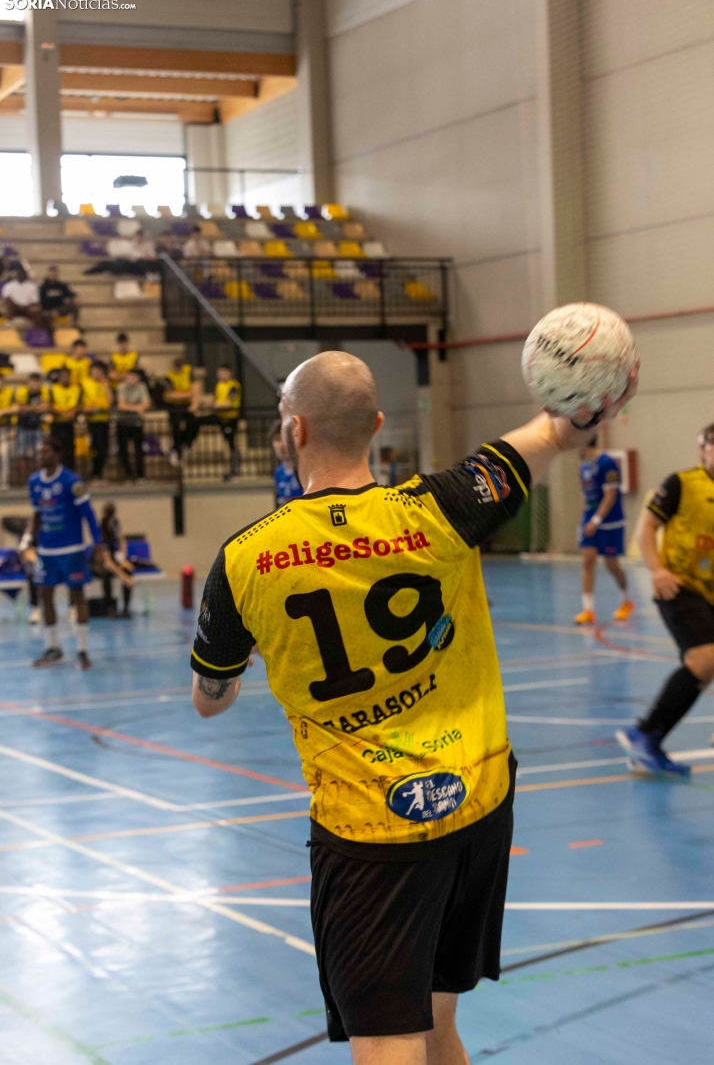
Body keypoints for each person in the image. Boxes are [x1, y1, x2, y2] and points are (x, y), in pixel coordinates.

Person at [190, 350, 638, 1065]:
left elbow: (210, 698)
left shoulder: (244, 560)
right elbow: (556, 431)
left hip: (370, 831)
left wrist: (238, 667)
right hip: (478, 806)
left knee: (387, 1041)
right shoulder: (447, 505)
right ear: (375, 423)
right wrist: (598, 395)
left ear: (293, 430)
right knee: (435, 1024)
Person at [616, 423, 714, 777]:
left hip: (710, 591)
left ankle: (647, 740)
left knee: (703, 670)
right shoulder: (682, 484)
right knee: (705, 658)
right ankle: (644, 734)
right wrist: (657, 570)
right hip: (678, 584)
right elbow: (647, 528)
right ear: (703, 450)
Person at [21, 437, 103, 669]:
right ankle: (53, 648)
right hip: (46, 550)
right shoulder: (34, 482)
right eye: (39, 452)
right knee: (44, 594)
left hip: (72, 549)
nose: (41, 456)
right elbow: (36, 515)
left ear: (57, 454)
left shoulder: (71, 481)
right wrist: (28, 539)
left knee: (77, 596)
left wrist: (98, 545)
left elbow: (88, 513)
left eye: (46, 451)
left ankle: (82, 651)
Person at [573, 435, 634, 625]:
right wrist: (582, 522)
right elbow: (585, 496)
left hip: (610, 523)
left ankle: (626, 601)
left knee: (611, 565)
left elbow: (610, 496)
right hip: (590, 522)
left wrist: (596, 520)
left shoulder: (606, 463)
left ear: (585, 442)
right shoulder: (583, 467)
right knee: (587, 560)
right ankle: (588, 610)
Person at [197, 364, 241, 479]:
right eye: (219, 372)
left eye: (223, 372)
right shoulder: (219, 385)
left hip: (230, 418)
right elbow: (215, 400)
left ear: (229, 373)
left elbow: (229, 403)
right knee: (198, 420)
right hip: (220, 417)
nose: (220, 375)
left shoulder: (233, 386)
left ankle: (235, 470)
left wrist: (215, 406)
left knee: (232, 443)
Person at [99, 502, 134, 618]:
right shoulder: (103, 531)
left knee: (128, 569)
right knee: (107, 576)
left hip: (114, 558)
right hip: (103, 563)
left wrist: (123, 559)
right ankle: (109, 607)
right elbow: (109, 563)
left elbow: (122, 540)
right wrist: (124, 577)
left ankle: (126, 608)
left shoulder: (115, 524)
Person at [14, 372, 50, 480]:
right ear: (28, 382)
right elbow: (21, 407)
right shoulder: (22, 391)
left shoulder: (44, 391)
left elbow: (46, 406)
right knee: (22, 454)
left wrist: (29, 407)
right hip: (23, 427)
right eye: (32, 381)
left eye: (37, 381)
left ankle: (37, 477)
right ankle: (25, 479)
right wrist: (37, 407)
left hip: (38, 428)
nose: (34, 384)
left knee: (38, 455)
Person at [116, 368, 150, 482]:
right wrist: (138, 409)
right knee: (123, 450)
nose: (129, 379)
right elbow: (121, 405)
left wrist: (135, 408)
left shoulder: (142, 387)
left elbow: (147, 403)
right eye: (127, 377)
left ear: (138, 378)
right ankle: (128, 475)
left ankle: (140, 475)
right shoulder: (121, 386)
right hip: (123, 422)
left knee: (138, 449)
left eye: (132, 377)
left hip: (136, 423)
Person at [81, 361, 112, 482]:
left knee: (103, 448)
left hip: (104, 419)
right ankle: (93, 473)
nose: (97, 372)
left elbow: (110, 402)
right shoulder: (85, 382)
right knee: (94, 447)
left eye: (99, 370)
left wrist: (105, 386)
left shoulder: (105, 383)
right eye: (95, 369)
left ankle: (98, 473)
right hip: (91, 420)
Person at [163, 357, 198, 462]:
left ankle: (186, 444)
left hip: (186, 405)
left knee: (194, 422)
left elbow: (195, 387)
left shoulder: (188, 371)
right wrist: (187, 394)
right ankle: (176, 450)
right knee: (176, 426)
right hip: (174, 406)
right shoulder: (169, 376)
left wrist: (192, 400)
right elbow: (170, 395)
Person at [50, 367, 81, 471]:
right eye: (63, 376)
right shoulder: (53, 388)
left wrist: (73, 412)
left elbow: (79, 404)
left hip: (69, 424)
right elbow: (48, 405)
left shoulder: (76, 388)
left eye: (67, 376)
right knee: (56, 449)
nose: (65, 378)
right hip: (57, 424)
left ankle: (69, 473)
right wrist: (62, 413)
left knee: (70, 450)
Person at [2, 266, 47, 331]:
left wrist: (30, 308)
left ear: (25, 274)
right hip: (15, 308)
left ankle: (38, 333)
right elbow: (6, 300)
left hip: (27, 308)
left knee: (37, 310)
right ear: (16, 274)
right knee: (8, 301)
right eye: (19, 273)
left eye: (22, 273)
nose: (21, 275)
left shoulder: (32, 286)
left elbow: (35, 302)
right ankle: (10, 321)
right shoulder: (8, 286)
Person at [270, 418, 302, 505]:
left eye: (284, 438)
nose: (281, 445)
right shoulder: (278, 473)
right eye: (277, 439)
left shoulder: (303, 470)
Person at [0, 372, 16, 490]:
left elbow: (16, 407)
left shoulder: (9, 392)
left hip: (4, 429)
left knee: (4, 456)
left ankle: (4, 481)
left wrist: (4, 412)